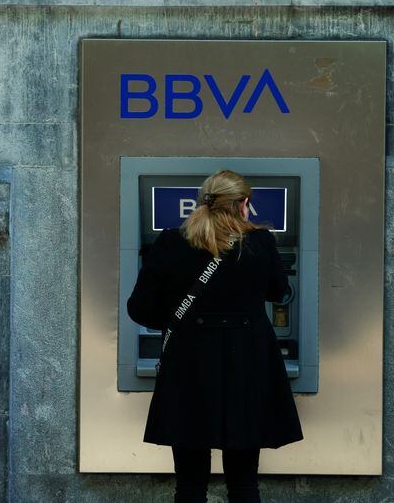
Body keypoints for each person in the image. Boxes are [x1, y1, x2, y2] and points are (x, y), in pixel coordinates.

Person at [126, 169, 304, 503]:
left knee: (190, 486)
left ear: (203, 202)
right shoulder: (260, 243)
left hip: (188, 367)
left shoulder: (170, 241)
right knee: (244, 483)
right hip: (247, 367)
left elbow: (139, 308)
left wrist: (179, 320)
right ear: (243, 204)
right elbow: (280, 292)